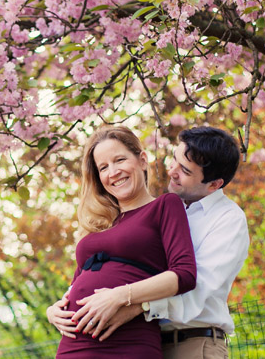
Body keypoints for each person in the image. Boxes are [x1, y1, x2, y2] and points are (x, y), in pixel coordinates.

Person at [52, 126, 249, 359]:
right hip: (142, 335)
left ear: (215, 184)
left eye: (184, 170)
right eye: (174, 160)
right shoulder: (154, 208)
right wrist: (61, 304)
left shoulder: (227, 219)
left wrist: (133, 305)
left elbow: (198, 286)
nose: (172, 171)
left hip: (192, 342)